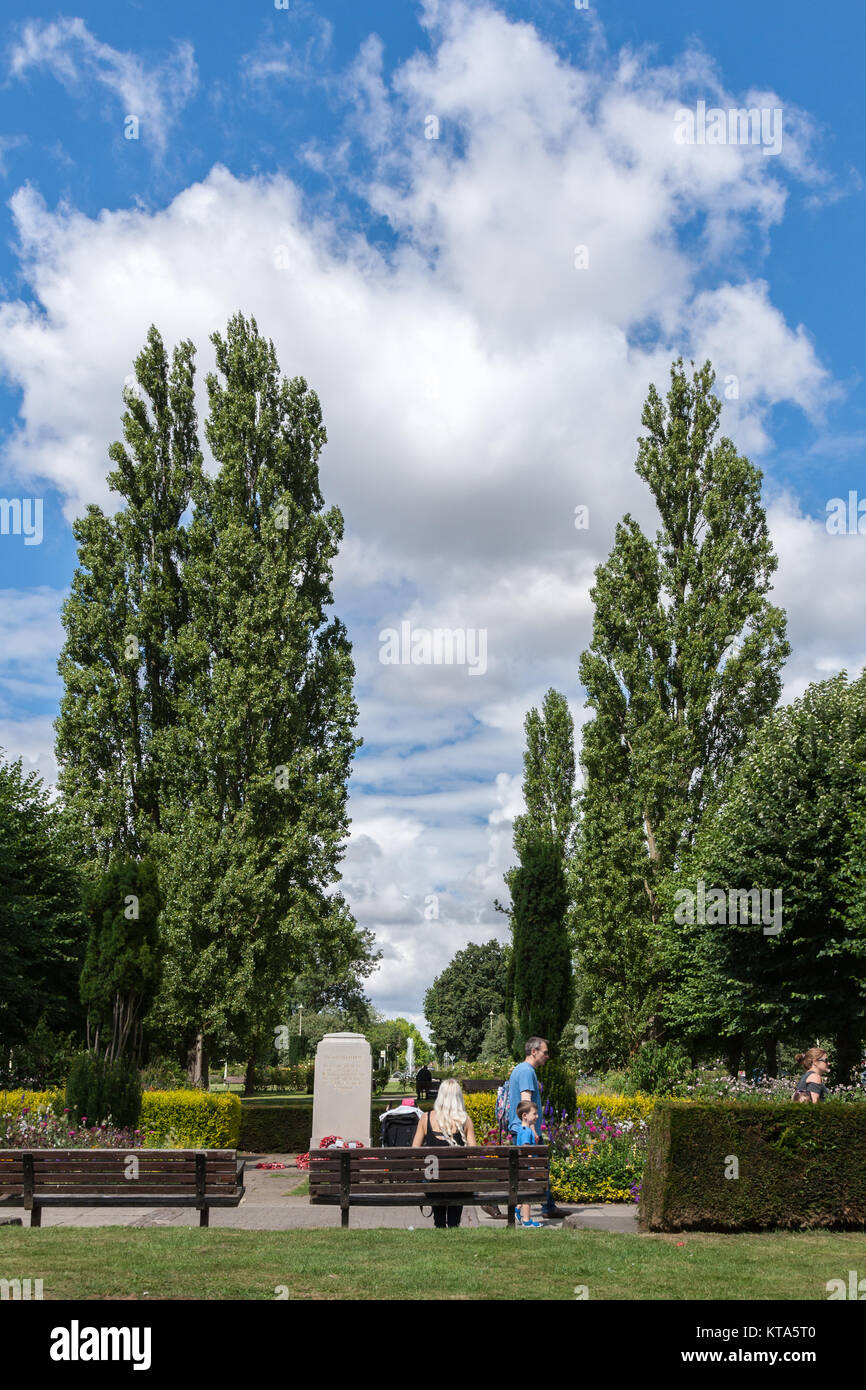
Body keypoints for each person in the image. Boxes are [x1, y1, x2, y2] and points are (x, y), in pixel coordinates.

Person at [482, 1036, 567, 1220]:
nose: (547, 1056)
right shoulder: (527, 1071)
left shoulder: (520, 1069)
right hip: (525, 1130)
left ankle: (548, 1206)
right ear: (534, 1051)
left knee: (527, 1168)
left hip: (519, 1128)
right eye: (545, 1052)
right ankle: (494, 1199)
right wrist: (533, 1130)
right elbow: (525, 1100)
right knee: (532, 1169)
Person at [412, 1077, 476, 1228]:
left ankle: (439, 1224)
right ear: (458, 1098)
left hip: (433, 1183)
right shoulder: (465, 1120)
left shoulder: (425, 1118)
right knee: (454, 1213)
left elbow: (414, 1152)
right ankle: (453, 1225)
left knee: (436, 1183)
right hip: (458, 1185)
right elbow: (474, 1155)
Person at [514, 1100, 542, 1228]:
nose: (537, 1116)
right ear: (525, 1115)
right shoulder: (526, 1131)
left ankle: (517, 1208)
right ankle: (526, 1220)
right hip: (527, 1166)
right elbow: (526, 1149)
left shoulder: (522, 1129)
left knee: (527, 1191)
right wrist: (532, 1164)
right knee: (528, 1193)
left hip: (523, 1166)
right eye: (534, 1114)